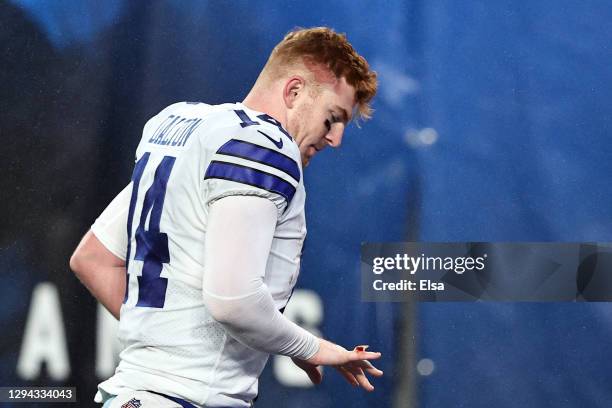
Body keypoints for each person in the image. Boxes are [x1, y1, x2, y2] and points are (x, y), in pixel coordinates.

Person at [70, 26, 381, 408]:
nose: (336, 139)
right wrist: (313, 347)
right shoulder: (264, 146)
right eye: (333, 118)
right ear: (294, 91)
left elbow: (94, 259)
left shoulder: (184, 127)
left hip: (133, 394)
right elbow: (233, 301)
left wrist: (174, 348)